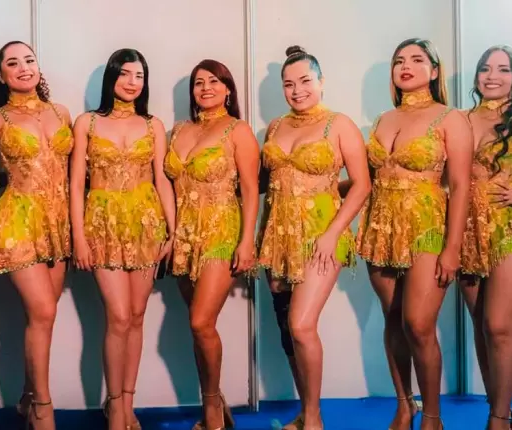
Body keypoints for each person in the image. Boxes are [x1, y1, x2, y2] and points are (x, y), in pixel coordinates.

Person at [356, 38, 472, 430]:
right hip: (380, 228)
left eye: (417, 59)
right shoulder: (383, 119)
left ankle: (433, 418)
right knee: (393, 320)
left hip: (427, 229)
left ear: (434, 71)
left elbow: (461, 185)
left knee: (418, 325)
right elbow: (369, 178)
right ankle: (405, 406)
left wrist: (452, 248)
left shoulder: (451, 118)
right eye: (399, 61)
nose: (405, 66)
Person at [257, 45, 371, 430]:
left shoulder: (339, 125)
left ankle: (315, 420)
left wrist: (332, 233)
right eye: (289, 84)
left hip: (322, 233)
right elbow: (268, 183)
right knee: (286, 326)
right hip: (278, 235)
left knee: (301, 324)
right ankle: (305, 412)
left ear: (321, 82)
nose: (297, 90)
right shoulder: (276, 126)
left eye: (305, 81)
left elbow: (361, 185)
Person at [70, 48, 175, 430]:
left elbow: (162, 179)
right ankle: (114, 405)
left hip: (146, 223)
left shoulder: (153, 125)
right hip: (102, 224)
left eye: (139, 76)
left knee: (136, 315)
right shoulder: (87, 122)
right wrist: (79, 237)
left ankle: (128, 404)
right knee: (117, 316)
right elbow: (75, 184)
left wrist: (172, 231)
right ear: (111, 77)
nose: (132, 82)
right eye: (125, 74)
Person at [0, 40, 73, 430]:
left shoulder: (61, 112)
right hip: (17, 219)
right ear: (1, 76)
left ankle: (28, 397)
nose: (23, 68)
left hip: (57, 222)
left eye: (29, 60)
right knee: (43, 311)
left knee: (44, 316)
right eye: (13, 63)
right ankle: (44, 409)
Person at [164, 59, 259, 430]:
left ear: (228, 89)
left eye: (214, 81)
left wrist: (247, 241)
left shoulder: (238, 130)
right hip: (185, 235)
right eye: (199, 82)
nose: (206, 88)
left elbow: (250, 190)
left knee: (201, 321)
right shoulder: (179, 130)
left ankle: (212, 413)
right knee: (198, 327)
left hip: (222, 231)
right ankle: (215, 398)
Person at [458, 45, 512, 430]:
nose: (492, 76)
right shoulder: (459, 120)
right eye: (485, 68)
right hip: (464, 230)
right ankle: (499, 408)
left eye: (503, 69)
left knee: (498, 326)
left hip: (506, 229)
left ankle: (498, 418)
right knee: (480, 326)